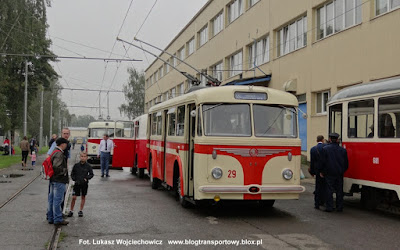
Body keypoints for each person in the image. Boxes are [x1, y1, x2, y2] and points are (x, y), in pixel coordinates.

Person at [320, 133, 349, 212]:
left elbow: (323, 162)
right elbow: (346, 164)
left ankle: (329, 207)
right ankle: (339, 207)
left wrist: (322, 171)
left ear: (329, 139)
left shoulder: (325, 149)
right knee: (339, 191)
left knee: (329, 190)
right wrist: (342, 170)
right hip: (339, 173)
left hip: (329, 173)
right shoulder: (343, 150)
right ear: (337, 140)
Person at [47, 138, 70, 226]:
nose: (66, 145)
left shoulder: (54, 151)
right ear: (62, 144)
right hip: (59, 180)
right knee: (58, 200)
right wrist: (65, 171)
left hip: (53, 179)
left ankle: (51, 217)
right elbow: (56, 167)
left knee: (52, 199)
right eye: (66, 144)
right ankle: (57, 219)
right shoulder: (59, 153)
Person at [68, 152, 94, 217]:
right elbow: (72, 174)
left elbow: (91, 174)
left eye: (84, 156)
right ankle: (71, 210)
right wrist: (74, 179)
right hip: (77, 183)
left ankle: (80, 210)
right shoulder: (76, 165)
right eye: (82, 156)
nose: (83, 158)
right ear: (80, 157)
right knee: (74, 197)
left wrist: (86, 178)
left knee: (83, 196)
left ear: (86, 157)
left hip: (84, 184)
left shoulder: (88, 166)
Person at [309, 135, 326, 209]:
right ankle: (323, 201)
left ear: (317, 140)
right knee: (325, 187)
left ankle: (317, 203)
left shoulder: (313, 149)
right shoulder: (326, 148)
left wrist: (312, 172)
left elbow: (312, 162)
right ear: (323, 140)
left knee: (318, 187)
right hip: (325, 170)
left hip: (317, 170)